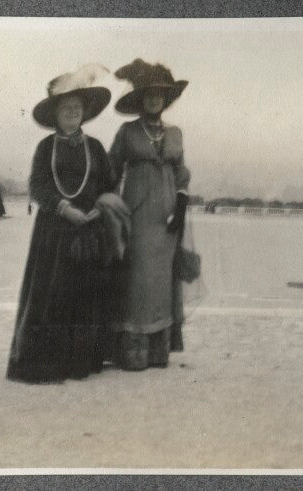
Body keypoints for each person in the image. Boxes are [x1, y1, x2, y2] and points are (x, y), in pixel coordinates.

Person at [7, 65, 122, 383]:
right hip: (54, 232)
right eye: (66, 107)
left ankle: (82, 361)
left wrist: (100, 208)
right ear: (55, 115)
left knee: (86, 294)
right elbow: (37, 185)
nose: (72, 111)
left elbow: (111, 184)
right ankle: (50, 361)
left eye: (77, 107)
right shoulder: (46, 148)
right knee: (53, 293)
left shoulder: (95, 147)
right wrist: (63, 208)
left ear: (84, 113)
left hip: (90, 229)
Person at [107, 58, 190, 370]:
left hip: (168, 216)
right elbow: (112, 170)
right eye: (149, 94)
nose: (154, 99)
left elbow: (181, 174)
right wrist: (109, 207)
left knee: (162, 280)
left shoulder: (175, 133)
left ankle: (158, 352)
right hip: (138, 213)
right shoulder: (128, 132)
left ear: (165, 99)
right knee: (137, 278)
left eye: (160, 94)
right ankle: (133, 352)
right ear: (140, 98)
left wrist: (180, 207)